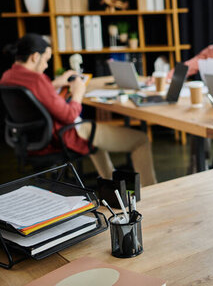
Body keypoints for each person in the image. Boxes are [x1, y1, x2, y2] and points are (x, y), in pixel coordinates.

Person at [1, 34, 158, 186]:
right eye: (45, 60)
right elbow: (70, 115)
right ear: (35, 56)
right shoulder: (37, 79)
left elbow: (34, 94)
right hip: (64, 136)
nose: (46, 66)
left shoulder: (7, 76)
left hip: (31, 139)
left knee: (96, 143)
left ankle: (112, 186)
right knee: (141, 140)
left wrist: (55, 83)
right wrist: (78, 93)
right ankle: (151, 193)